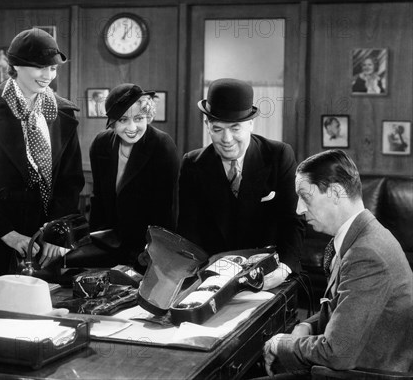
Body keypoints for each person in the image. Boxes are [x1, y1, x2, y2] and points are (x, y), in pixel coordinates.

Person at [263, 149, 413, 377]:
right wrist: (309, 325)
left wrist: (280, 343)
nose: (299, 209)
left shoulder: (366, 253)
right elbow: (346, 306)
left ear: (335, 192)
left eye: (305, 197)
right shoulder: (361, 234)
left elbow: (337, 352)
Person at [0, 28, 84, 299]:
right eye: (40, 68)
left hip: (44, 247)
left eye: (52, 69)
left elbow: (71, 180)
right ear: (15, 66)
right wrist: (6, 233)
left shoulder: (62, 111)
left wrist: (55, 232)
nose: (48, 76)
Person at [177, 78, 304, 275]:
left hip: (270, 271)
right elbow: (189, 231)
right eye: (217, 129)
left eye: (235, 128)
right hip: (213, 274)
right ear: (207, 125)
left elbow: (292, 221)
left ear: (250, 124)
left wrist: (284, 269)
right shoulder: (192, 164)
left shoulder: (279, 155)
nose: (227, 140)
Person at [89, 83, 180, 269]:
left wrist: (152, 254)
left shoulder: (162, 145)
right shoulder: (101, 144)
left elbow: (166, 210)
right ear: (113, 122)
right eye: (123, 120)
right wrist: (96, 241)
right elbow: (97, 198)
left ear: (148, 117)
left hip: (147, 252)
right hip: (108, 246)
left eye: (139, 118)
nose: (132, 127)